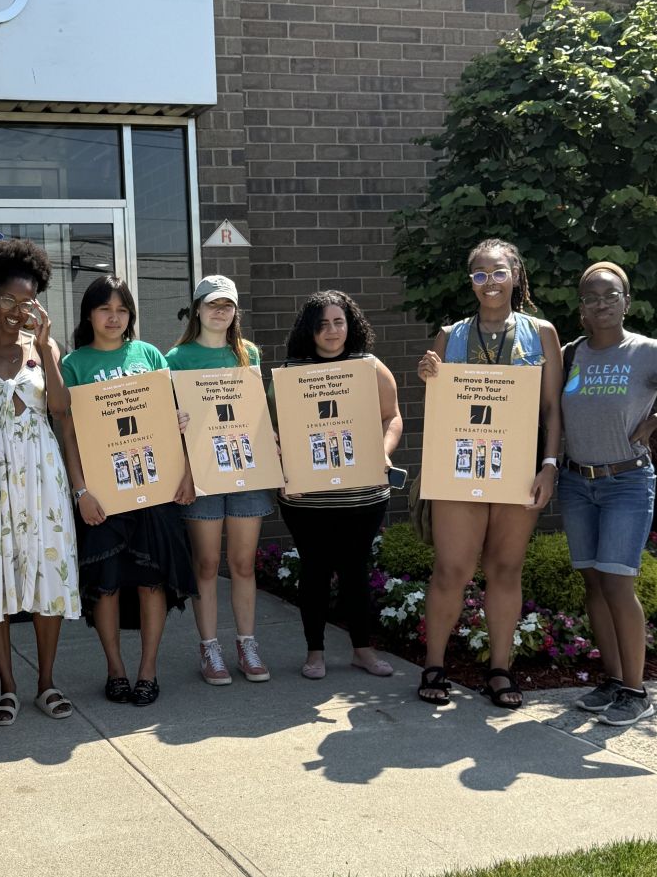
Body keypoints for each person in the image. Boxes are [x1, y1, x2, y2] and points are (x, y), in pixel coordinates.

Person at [417, 238, 562, 708]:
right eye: (480, 274)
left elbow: (552, 409)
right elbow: (439, 409)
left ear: (516, 274)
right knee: (451, 569)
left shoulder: (541, 334)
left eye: (498, 272)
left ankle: (500, 669)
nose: (490, 282)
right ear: (471, 281)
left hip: (518, 469)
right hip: (460, 467)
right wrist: (428, 376)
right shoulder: (450, 335)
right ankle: (434, 664)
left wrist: (549, 466)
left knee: (505, 569)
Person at [57, 275, 198, 706]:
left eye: (121, 310)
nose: (113, 317)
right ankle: (115, 669)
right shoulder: (73, 364)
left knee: (152, 580)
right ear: (89, 315)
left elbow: (174, 418)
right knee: (107, 583)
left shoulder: (150, 354)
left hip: (155, 488)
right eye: (104, 309)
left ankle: (147, 671)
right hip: (103, 493)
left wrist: (188, 470)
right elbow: (70, 436)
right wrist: (82, 493)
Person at [0, 239, 79, 725]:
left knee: (46, 569)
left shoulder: (45, 348)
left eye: (26, 301)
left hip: (42, 472)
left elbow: (59, 410)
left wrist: (47, 349)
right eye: (7, 300)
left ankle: (46, 681)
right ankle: (7, 686)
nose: (15, 310)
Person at [269, 291, 403, 680]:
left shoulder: (369, 366)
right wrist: (281, 464)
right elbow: (273, 432)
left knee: (355, 570)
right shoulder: (291, 372)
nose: (331, 331)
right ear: (309, 329)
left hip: (362, 492)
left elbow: (391, 417)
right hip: (307, 497)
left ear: (351, 324)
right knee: (314, 570)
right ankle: (315, 652)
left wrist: (383, 452)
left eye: (338, 322)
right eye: (322, 324)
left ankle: (363, 649)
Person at [559, 261, 657, 726]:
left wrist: (655, 422)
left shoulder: (646, 351)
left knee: (618, 582)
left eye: (610, 295)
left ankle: (637, 691)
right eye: (591, 297)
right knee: (594, 582)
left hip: (626, 482)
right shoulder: (569, 354)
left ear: (627, 301)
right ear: (581, 309)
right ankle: (614, 680)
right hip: (577, 482)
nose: (601, 304)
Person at [166, 275, 274, 684]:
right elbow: (167, 421)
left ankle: (247, 644)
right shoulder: (176, 357)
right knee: (207, 564)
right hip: (201, 473)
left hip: (245, 469)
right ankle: (209, 648)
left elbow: (255, 412)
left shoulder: (247, 353)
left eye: (227, 304)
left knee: (243, 563)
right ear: (197, 309)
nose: (220, 311)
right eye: (212, 304)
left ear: (235, 312)